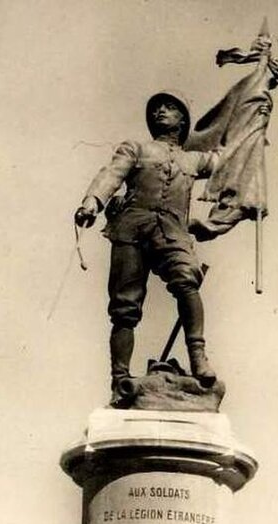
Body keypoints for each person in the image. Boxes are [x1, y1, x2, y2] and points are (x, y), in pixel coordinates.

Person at [74, 91, 218, 403]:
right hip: (132, 227)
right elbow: (111, 174)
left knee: (187, 281)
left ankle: (198, 357)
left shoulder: (195, 160)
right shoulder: (137, 147)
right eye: (156, 109)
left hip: (172, 230)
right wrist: (91, 202)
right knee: (125, 308)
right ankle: (120, 380)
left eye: (169, 108)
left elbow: (232, 161)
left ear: (183, 120)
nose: (160, 112)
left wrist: (256, 112)